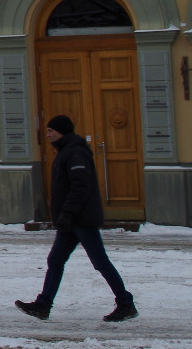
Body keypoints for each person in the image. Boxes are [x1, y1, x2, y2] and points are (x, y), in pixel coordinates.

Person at [17, 115, 136, 322]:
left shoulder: (75, 153)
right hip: (71, 221)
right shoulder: (67, 152)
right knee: (55, 260)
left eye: (51, 131)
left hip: (81, 219)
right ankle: (43, 304)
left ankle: (125, 303)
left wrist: (68, 214)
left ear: (61, 132)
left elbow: (80, 187)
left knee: (100, 262)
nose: (47, 134)